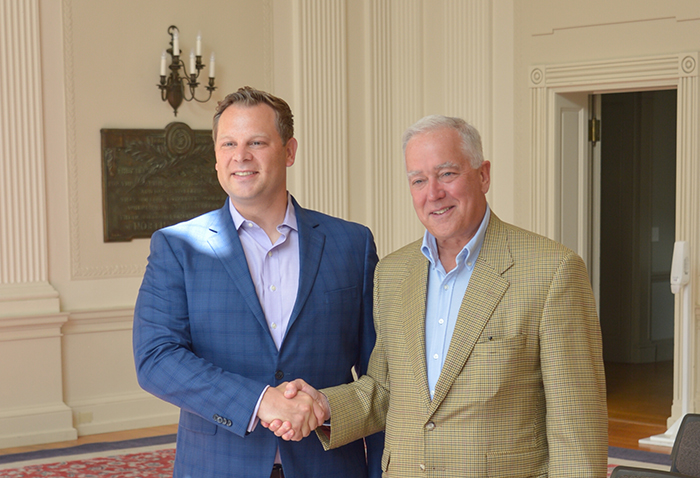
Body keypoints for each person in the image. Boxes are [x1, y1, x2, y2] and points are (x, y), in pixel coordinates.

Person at [269, 115, 608, 477]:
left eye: (447, 174)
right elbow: (384, 390)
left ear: (483, 175)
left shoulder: (552, 271)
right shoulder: (393, 273)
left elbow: (577, 427)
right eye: (418, 180)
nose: (433, 193)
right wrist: (323, 404)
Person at [133, 86, 383, 478]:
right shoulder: (177, 247)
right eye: (228, 143)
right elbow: (156, 360)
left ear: (289, 151)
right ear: (215, 157)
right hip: (219, 466)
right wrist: (260, 400)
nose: (240, 156)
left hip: (329, 465)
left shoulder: (352, 244)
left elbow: (380, 373)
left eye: (257, 142)